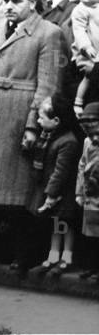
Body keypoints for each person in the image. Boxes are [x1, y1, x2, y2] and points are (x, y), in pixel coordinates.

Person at [0, 0, 64, 270]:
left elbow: (48, 83)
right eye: (5, 1)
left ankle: (23, 253)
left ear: (33, 2)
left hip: (19, 114)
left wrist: (32, 125)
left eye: (16, 1)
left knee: (19, 189)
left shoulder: (48, 33)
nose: (8, 7)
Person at [27, 94, 82, 278]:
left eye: (42, 117)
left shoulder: (68, 142)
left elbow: (61, 171)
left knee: (65, 224)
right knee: (56, 224)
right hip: (54, 191)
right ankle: (53, 255)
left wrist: (51, 194)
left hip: (62, 193)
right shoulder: (49, 137)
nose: (38, 121)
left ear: (56, 120)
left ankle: (66, 257)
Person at [75, 103, 99, 283]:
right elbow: (82, 165)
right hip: (90, 193)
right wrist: (79, 192)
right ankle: (91, 267)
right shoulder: (87, 142)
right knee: (91, 234)